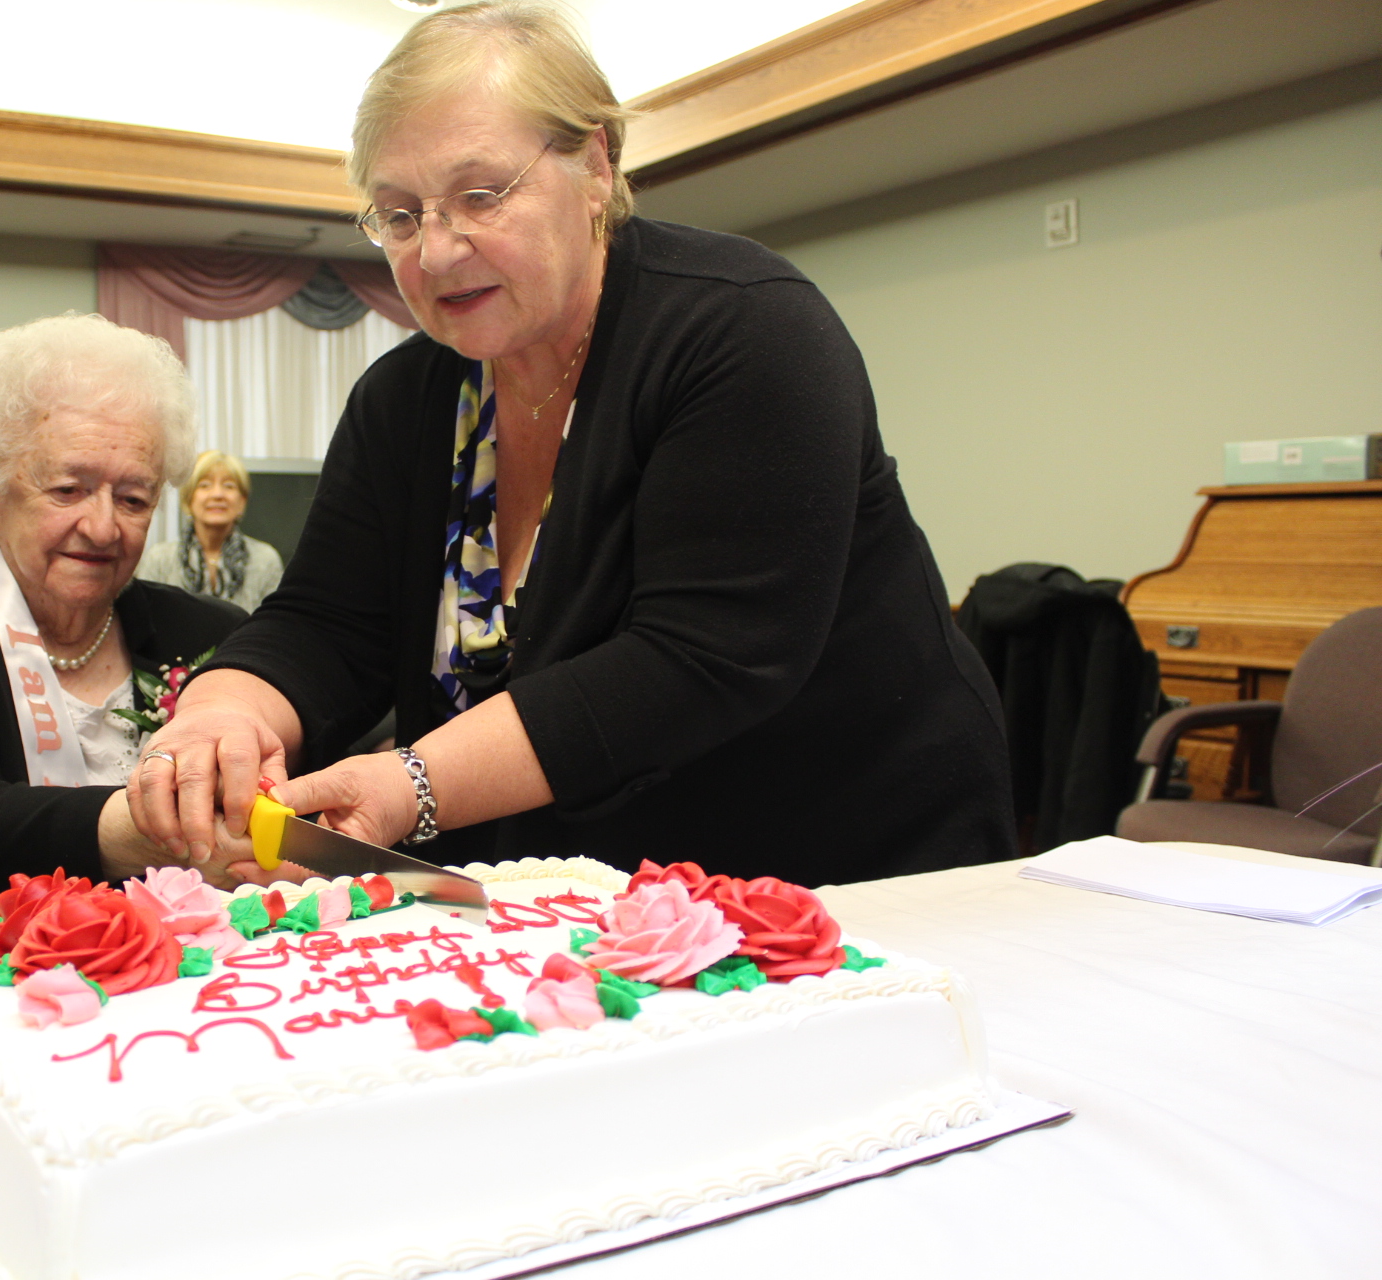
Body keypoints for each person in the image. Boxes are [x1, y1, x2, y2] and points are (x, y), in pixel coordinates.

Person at [128, 1, 1014, 887]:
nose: (435, 252)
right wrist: (221, 712)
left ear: (596, 166)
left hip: (846, 856)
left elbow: (698, 656)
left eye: (479, 195)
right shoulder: (403, 398)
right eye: (399, 216)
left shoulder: (746, 329)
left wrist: (412, 786)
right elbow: (328, 622)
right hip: (588, 890)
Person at [0, 313, 255, 975]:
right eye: (68, 489)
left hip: (183, 979)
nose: (103, 526)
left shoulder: (207, 634)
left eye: (134, 498)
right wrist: (142, 833)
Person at [137, 450, 284, 612]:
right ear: (189, 498)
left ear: (242, 501)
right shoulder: (159, 559)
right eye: (205, 485)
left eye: (229, 486)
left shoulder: (265, 560)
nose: (217, 494)